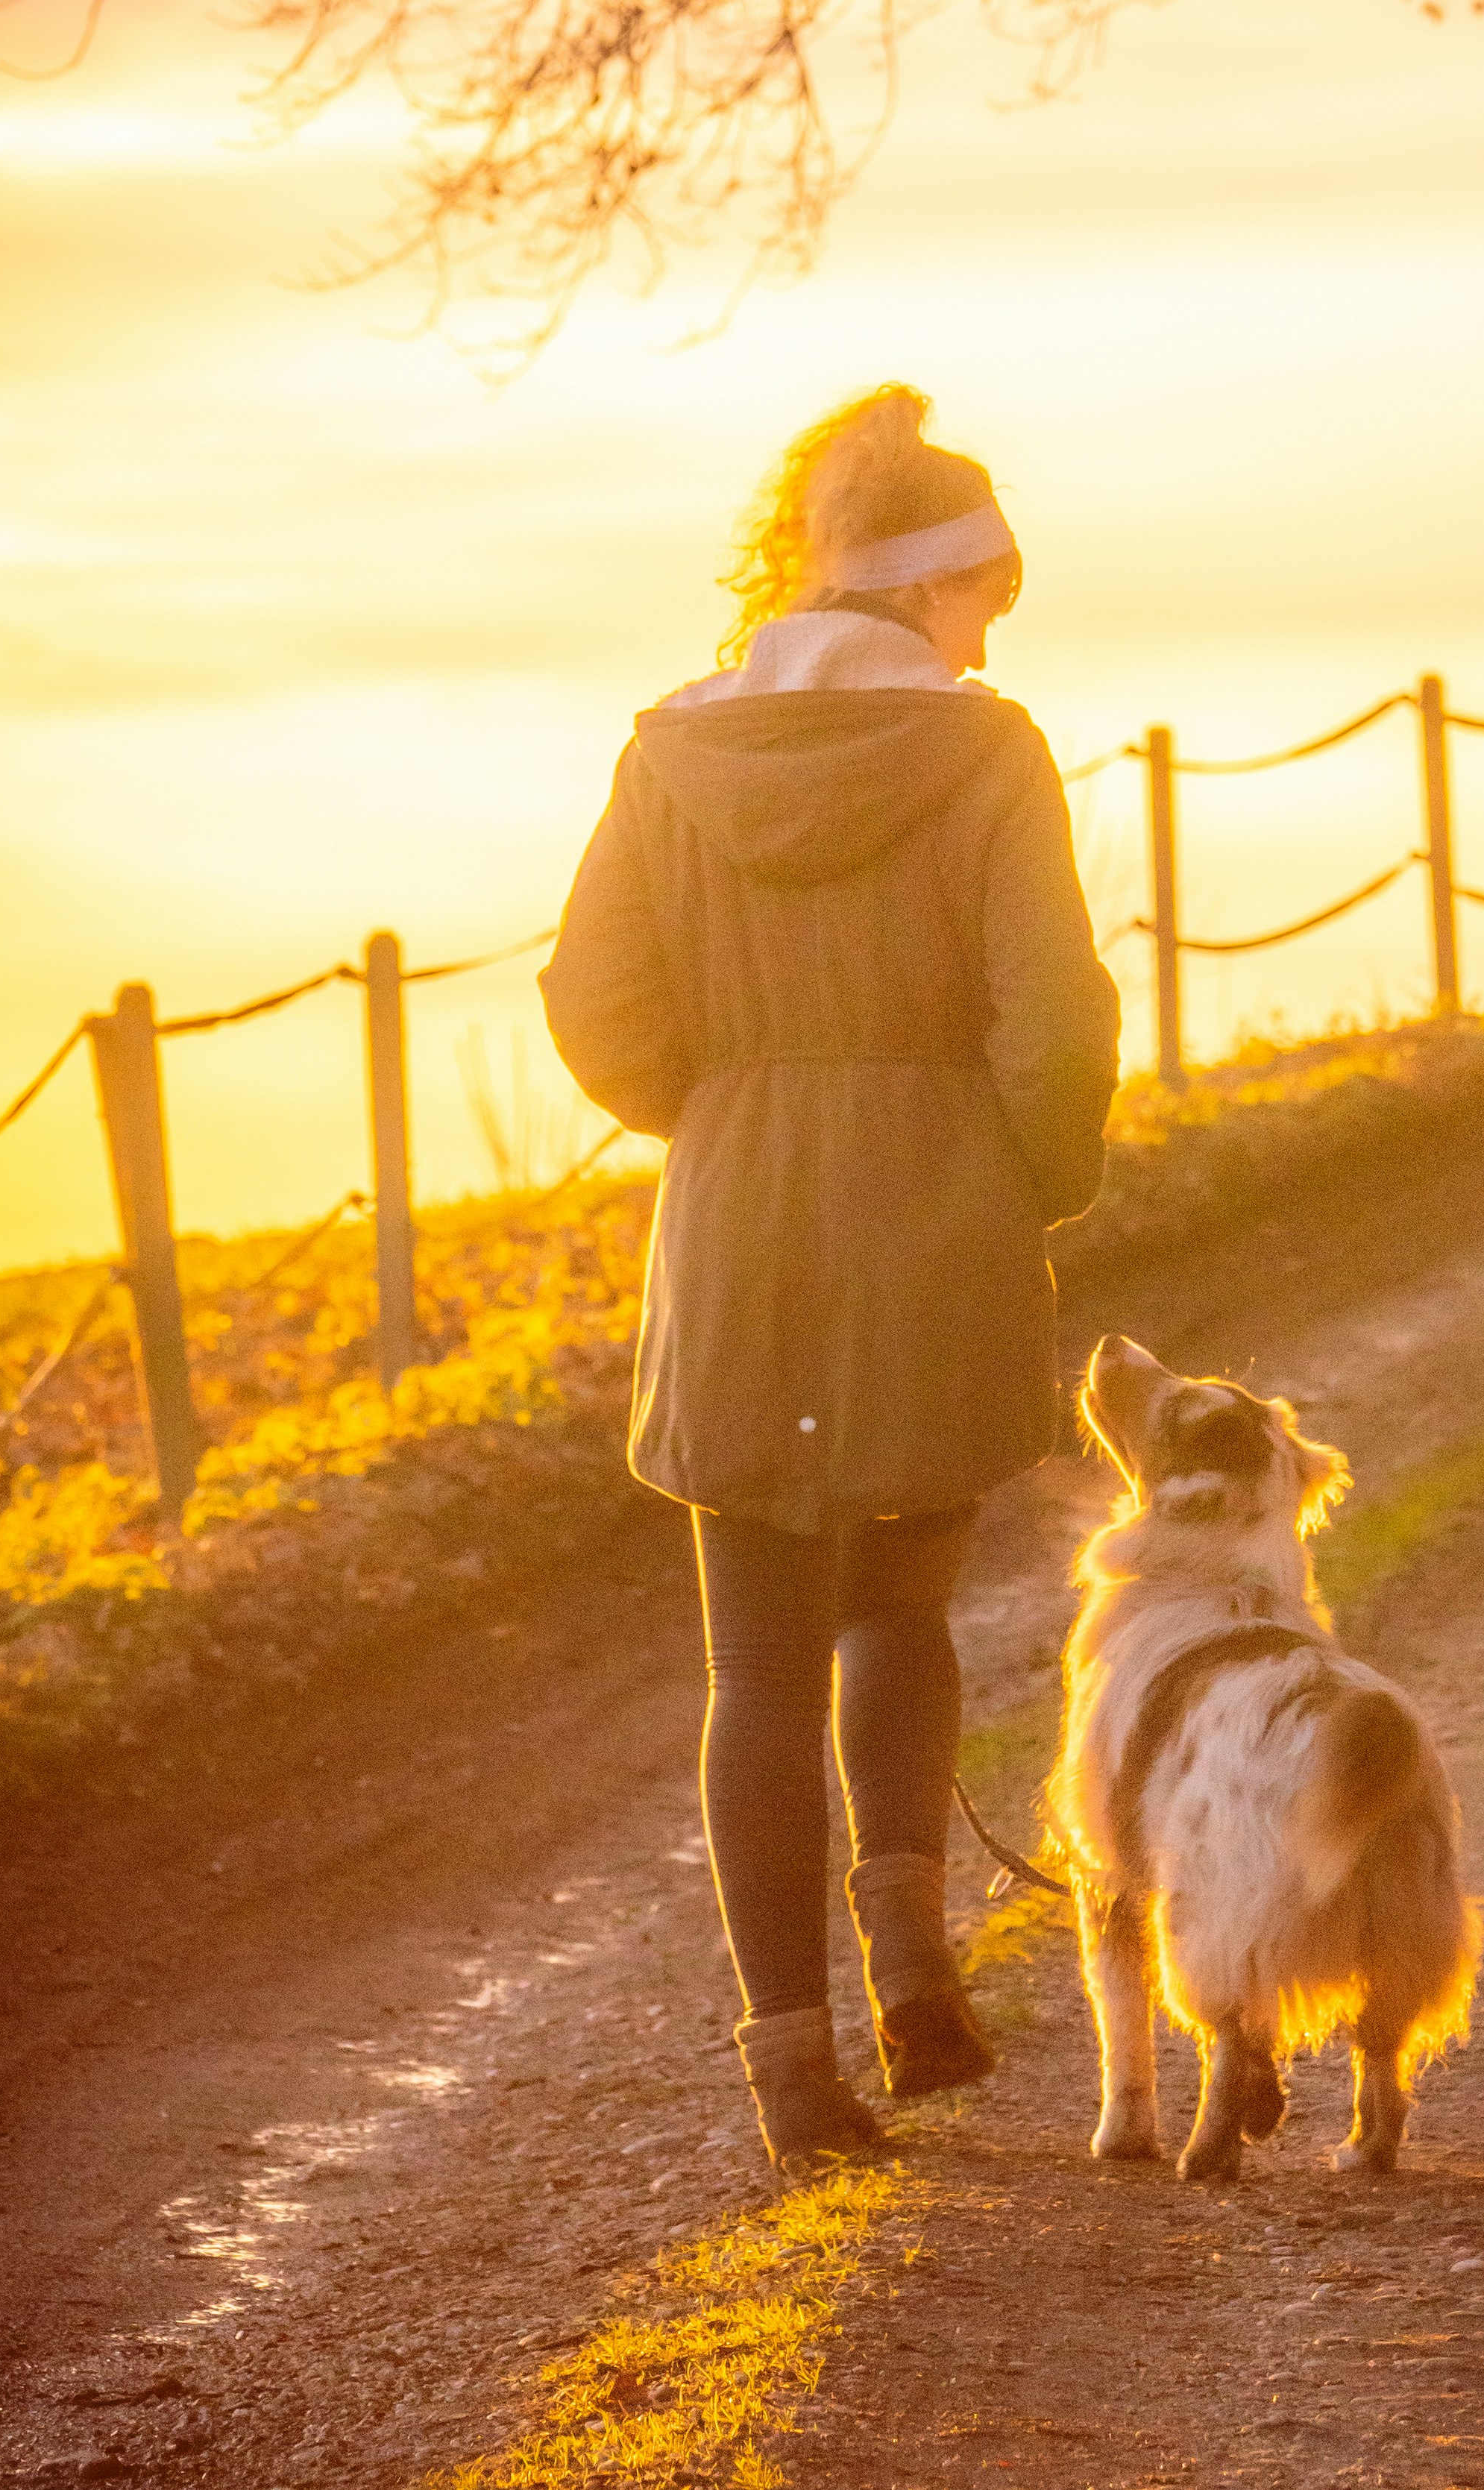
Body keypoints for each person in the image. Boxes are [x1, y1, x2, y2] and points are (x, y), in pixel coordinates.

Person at [541, 385, 1122, 2172]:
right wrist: (1026, 1181)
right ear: (937, 586)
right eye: (987, 601)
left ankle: (792, 2063)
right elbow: (1057, 1018)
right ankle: (911, 1962)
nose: (988, 639)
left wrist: (722, 1114)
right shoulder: (987, 748)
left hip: (737, 1224)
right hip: (931, 1222)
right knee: (899, 1611)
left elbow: (592, 1002)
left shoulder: (665, 750)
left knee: (757, 1667)